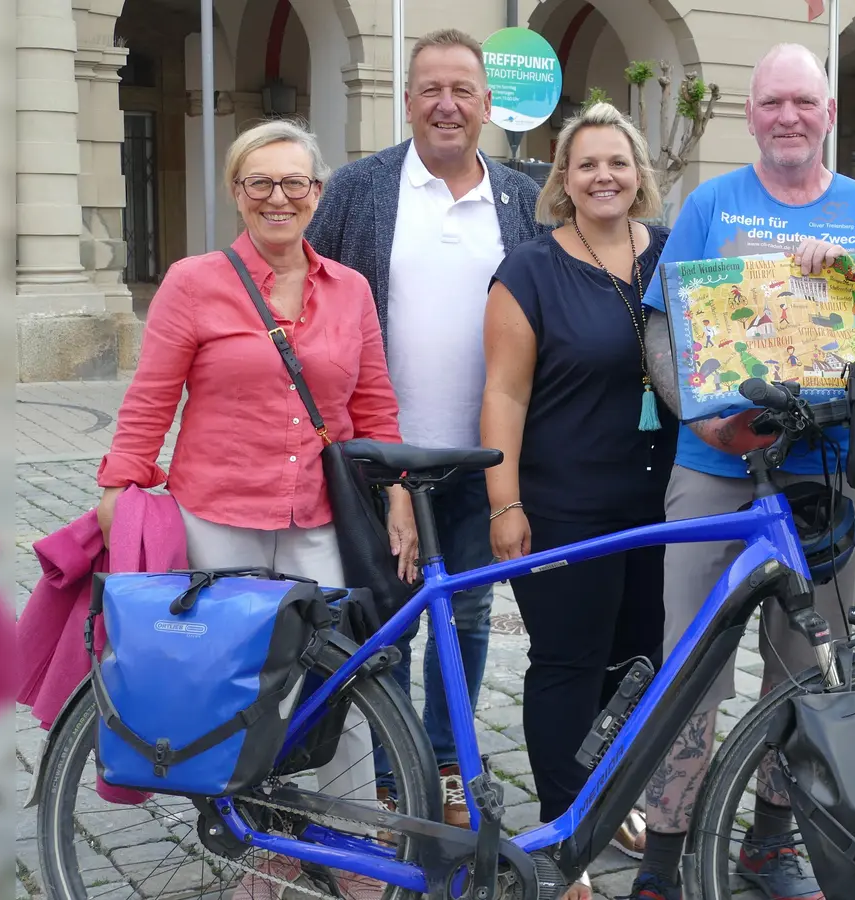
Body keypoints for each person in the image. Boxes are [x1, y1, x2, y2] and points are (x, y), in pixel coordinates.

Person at [626, 42, 855, 900]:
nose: (787, 117)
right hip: (714, 469)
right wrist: (702, 419)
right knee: (691, 668)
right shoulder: (709, 204)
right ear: (750, 115)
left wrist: (849, 289)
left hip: (825, 478)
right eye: (770, 103)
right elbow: (662, 328)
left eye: (802, 102)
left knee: (805, 671)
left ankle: (769, 842)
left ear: (828, 113)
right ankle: (665, 851)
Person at [96, 118, 412, 900]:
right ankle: (261, 851)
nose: (279, 197)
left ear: (317, 193)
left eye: (294, 182)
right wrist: (120, 487)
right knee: (235, 691)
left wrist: (400, 493)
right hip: (218, 519)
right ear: (237, 193)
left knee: (338, 685)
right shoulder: (193, 282)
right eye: (260, 182)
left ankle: (347, 847)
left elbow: (374, 406)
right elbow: (152, 396)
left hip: (318, 520)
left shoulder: (350, 289)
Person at [304, 27, 549, 828]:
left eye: (462, 90)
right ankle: (386, 770)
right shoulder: (359, 189)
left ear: (486, 104)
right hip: (378, 460)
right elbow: (309, 291)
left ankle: (447, 764)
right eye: (431, 90)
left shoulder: (519, 200)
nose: (447, 104)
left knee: (468, 615)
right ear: (407, 101)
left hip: (479, 457)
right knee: (387, 619)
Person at [478, 101, 675, 877]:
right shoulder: (529, 270)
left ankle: (610, 796)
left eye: (617, 162)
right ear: (563, 177)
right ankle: (563, 836)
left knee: (640, 662)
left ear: (638, 174)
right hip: (563, 505)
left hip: (661, 504)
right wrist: (504, 503)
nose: (603, 176)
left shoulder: (669, 254)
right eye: (587, 163)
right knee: (569, 665)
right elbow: (504, 395)